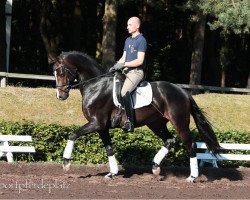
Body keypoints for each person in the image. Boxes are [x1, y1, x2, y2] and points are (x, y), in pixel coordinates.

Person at [110, 16, 147, 133]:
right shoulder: (128, 40)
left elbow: (140, 61)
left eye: (130, 25)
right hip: (126, 72)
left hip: (136, 72)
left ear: (137, 26)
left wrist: (124, 64)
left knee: (124, 92)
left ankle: (130, 122)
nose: (127, 27)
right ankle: (117, 114)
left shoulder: (142, 40)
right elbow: (124, 57)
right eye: (127, 25)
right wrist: (116, 65)